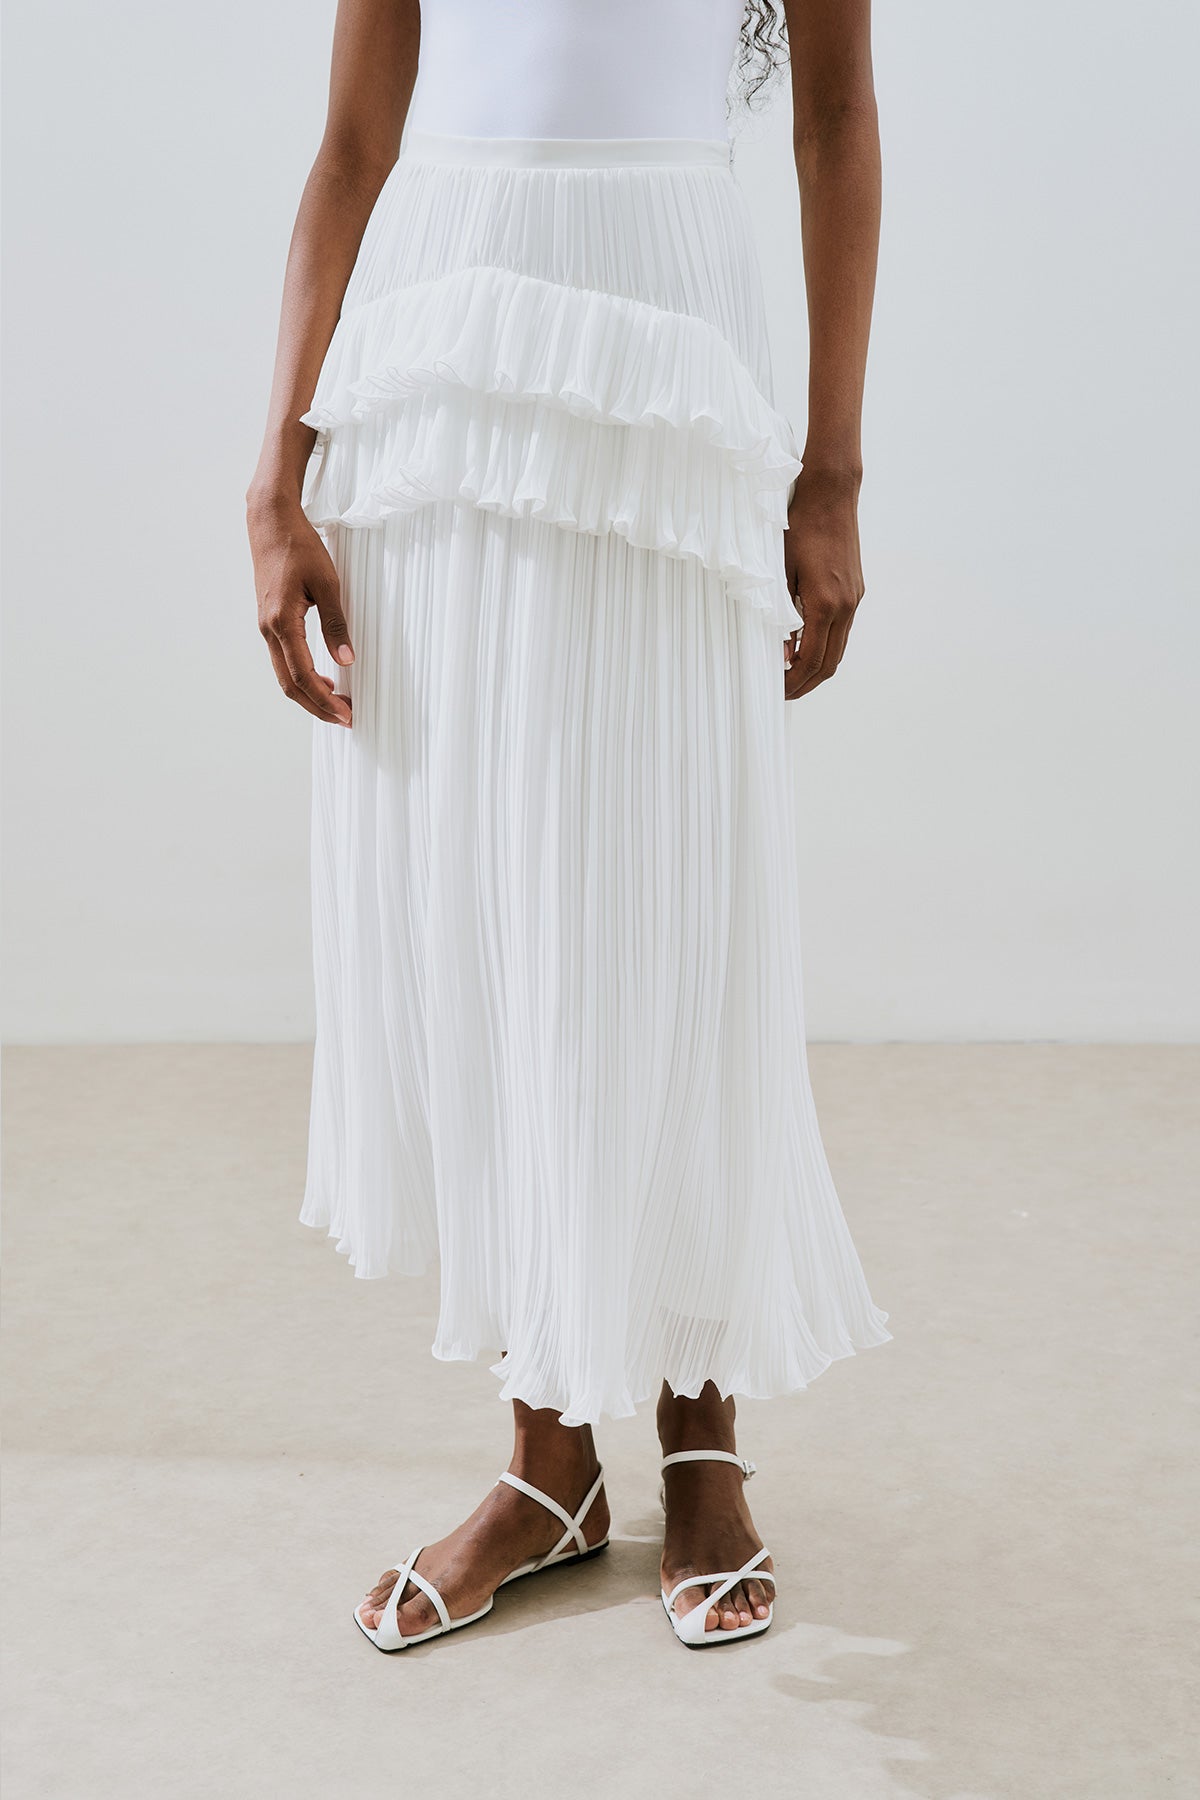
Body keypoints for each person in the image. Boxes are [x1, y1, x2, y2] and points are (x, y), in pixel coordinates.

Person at [246, 0, 889, 1651]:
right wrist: (275, 478)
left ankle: (701, 1431)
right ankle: (547, 1461)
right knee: (488, 896)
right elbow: (353, 146)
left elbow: (834, 126)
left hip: (663, 338)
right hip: (441, 365)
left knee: (671, 895)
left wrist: (831, 476)